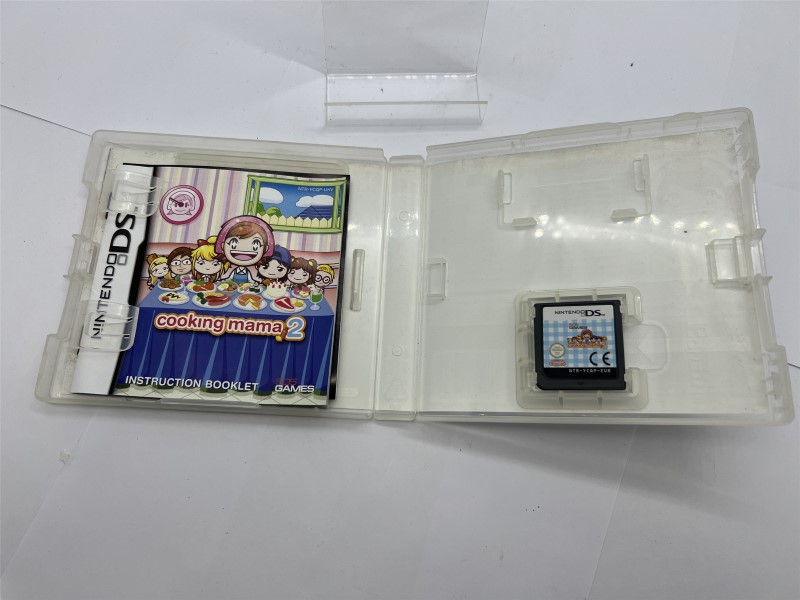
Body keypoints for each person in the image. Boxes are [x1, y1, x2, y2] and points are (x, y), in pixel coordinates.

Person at [215, 216, 274, 285]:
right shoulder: (232, 270)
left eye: (255, 244)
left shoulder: (249, 272)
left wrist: (255, 283)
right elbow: (229, 278)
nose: (244, 249)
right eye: (233, 243)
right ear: (223, 246)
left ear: (266, 249)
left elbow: (251, 279)